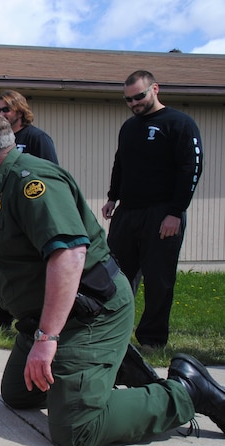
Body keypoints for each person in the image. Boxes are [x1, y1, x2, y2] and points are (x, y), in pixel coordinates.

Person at [0, 110, 223, 446]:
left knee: (77, 429)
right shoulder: (2, 187)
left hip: (90, 315)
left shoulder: (33, 185)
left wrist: (46, 339)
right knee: (17, 393)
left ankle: (183, 391)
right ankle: (101, 371)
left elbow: (69, 256)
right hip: (51, 316)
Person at [102, 70, 204, 350]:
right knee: (115, 276)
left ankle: (152, 340)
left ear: (155, 89)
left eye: (139, 96)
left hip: (163, 214)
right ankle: (114, 335)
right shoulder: (129, 127)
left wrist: (175, 212)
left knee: (159, 280)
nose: (134, 103)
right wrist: (113, 197)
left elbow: (190, 169)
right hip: (128, 212)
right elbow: (120, 164)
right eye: (128, 100)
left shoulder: (180, 123)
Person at [0, 89, 60, 332]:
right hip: (3, 211)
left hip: (29, 213)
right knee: (3, 265)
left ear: (20, 110)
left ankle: (34, 317)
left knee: (32, 267)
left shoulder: (37, 138)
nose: (1, 113)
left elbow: (50, 175)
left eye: (6, 109)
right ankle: (3, 316)